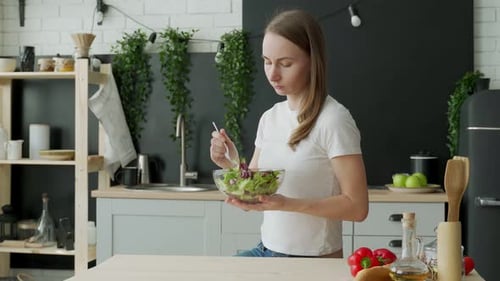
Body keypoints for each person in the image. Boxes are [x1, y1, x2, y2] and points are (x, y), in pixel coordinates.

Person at [210, 9, 368, 258]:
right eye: (267, 61)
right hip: (266, 250)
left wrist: (289, 204)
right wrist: (229, 162)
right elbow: (254, 192)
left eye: (285, 64)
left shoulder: (334, 120)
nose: (272, 74)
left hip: (312, 262)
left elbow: (357, 207)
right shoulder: (270, 118)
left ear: (312, 61)